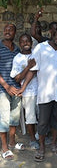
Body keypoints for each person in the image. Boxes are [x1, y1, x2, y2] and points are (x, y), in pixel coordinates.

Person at [17, 28, 57, 162]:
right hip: (44, 93)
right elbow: (33, 70)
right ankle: (42, 147)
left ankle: (54, 143)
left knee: (56, 121)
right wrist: (24, 87)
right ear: (54, 34)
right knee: (43, 122)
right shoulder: (41, 48)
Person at [10, 33, 39, 150]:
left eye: (28, 41)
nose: (25, 43)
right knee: (30, 117)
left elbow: (36, 71)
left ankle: (40, 136)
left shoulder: (37, 54)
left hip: (41, 90)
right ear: (19, 44)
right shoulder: (17, 58)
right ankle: (32, 139)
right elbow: (17, 78)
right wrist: (27, 67)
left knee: (42, 116)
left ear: (31, 43)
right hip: (28, 93)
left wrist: (30, 67)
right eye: (23, 41)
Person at [0, 24, 23, 160]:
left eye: (11, 30)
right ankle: (4, 147)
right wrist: (6, 85)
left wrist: (20, 88)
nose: (7, 32)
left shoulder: (17, 50)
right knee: (3, 118)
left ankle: (12, 142)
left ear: (15, 33)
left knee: (14, 118)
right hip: (2, 89)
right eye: (6, 30)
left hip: (16, 89)